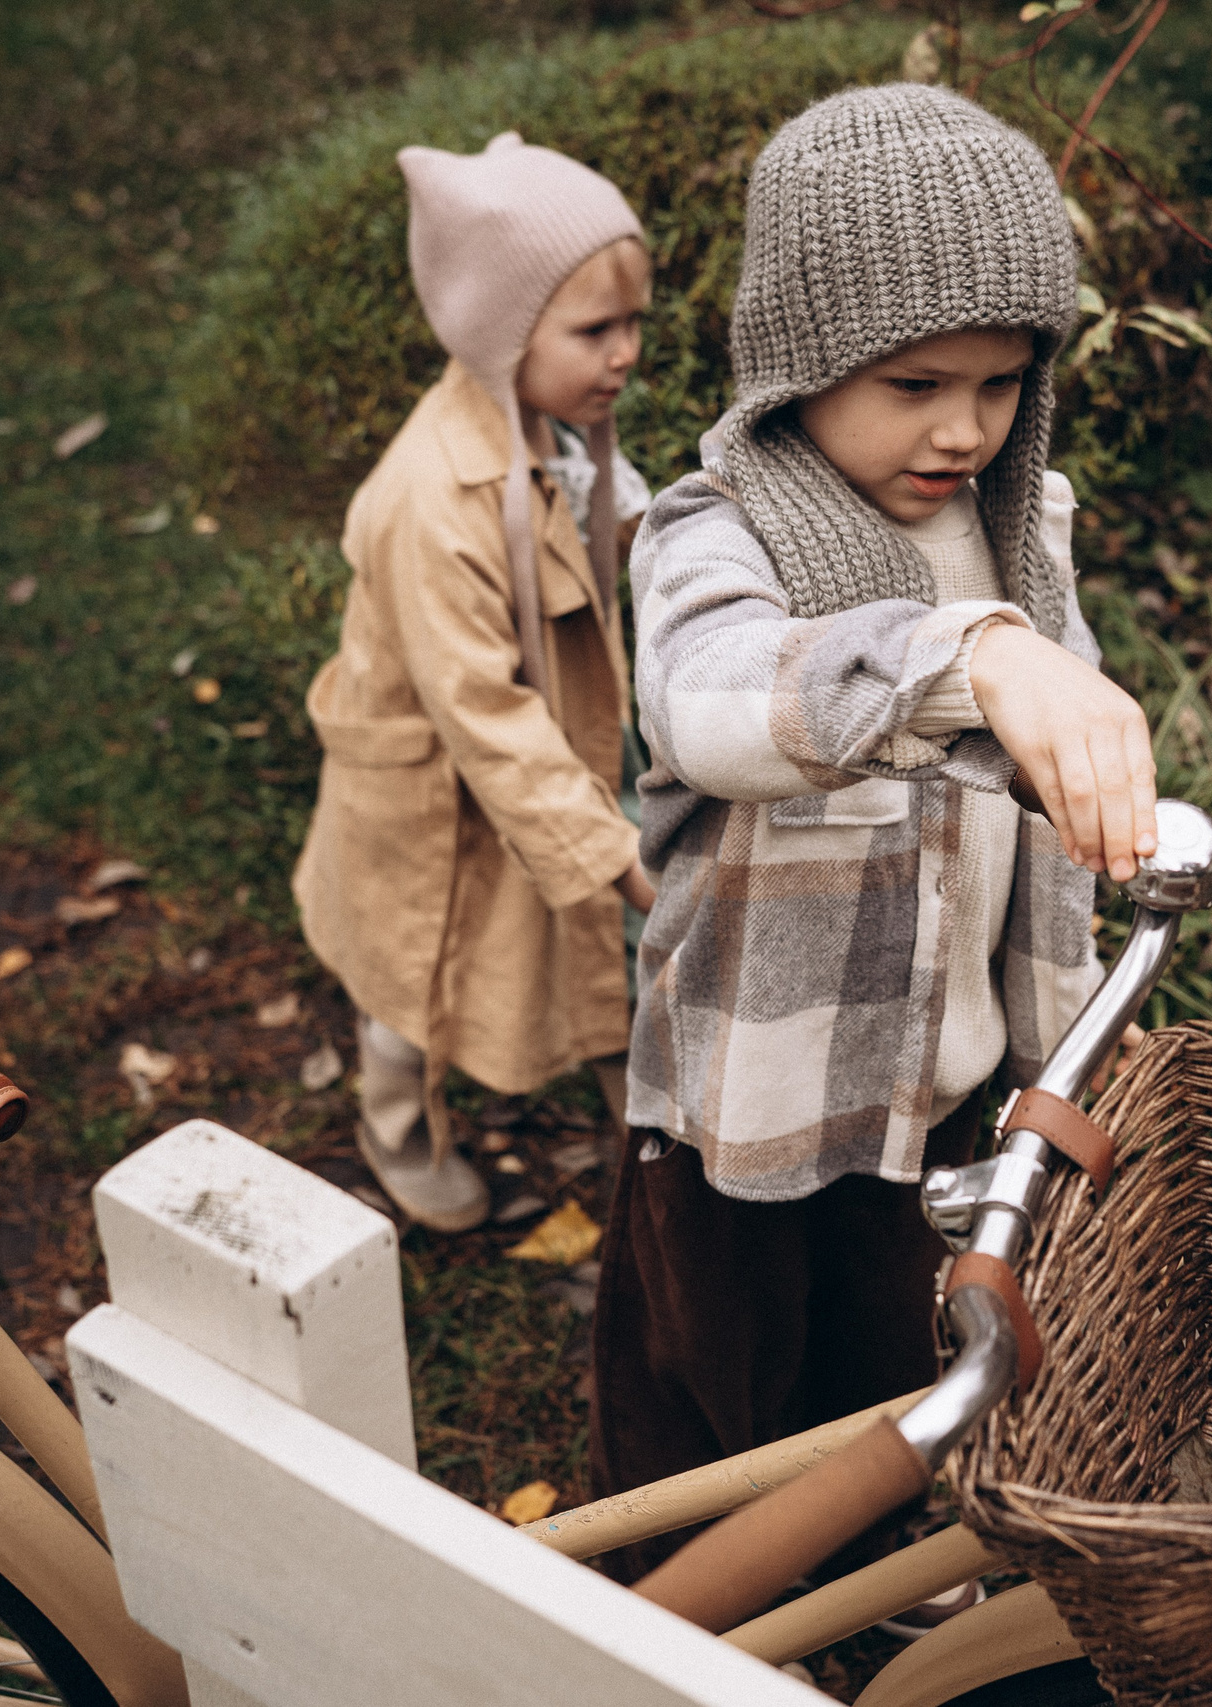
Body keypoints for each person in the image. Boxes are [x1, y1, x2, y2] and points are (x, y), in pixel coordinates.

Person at [589, 84, 1156, 1611]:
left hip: (949, 1084)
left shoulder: (1020, 532)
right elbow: (714, 703)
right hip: (757, 1104)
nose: (963, 427)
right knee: (723, 1384)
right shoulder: (715, 535)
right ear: (801, 365)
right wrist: (974, 656)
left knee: (899, 1354)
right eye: (915, 383)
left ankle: (878, 1572)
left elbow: (1044, 807)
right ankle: (676, 1616)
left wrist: (1070, 1013)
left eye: (1001, 381)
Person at [292, 133, 658, 1232]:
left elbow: (613, 522)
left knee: (591, 942)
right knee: (413, 966)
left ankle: (644, 1125)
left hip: (537, 747)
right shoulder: (431, 504)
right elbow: (483, 713)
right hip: (426, 782)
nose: (626, 353)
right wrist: (611, 852)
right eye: (595, 330)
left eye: (635, 322)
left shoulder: (552, 428)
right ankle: (397, 1128)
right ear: (504, 333)